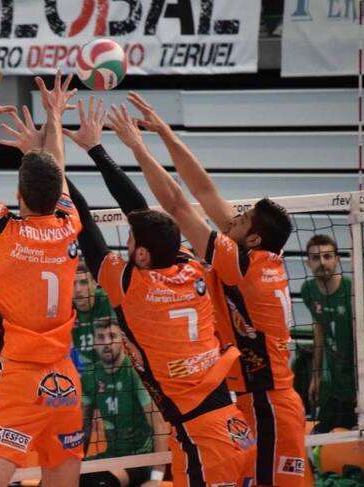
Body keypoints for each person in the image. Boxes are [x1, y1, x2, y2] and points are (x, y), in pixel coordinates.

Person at [63, 96, 255, 486]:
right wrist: (96, 149)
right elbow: (137, 209)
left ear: (143, 255)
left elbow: (83, 224)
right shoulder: (188, 266)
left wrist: (54, 160)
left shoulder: (131, 286)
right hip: (223, 425)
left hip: (207, 439)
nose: (126, 243)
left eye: (131, 240)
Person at [124, 92, 306, 486]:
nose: (232, 218)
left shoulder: (243, 267)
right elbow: (205, 191)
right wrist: (165, 132)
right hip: (257, 399)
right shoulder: (262, 255)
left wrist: (136, 146)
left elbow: (178, 205)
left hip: (268, 404)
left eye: (242, 219)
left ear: (252, 238)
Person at [0, 67, 83, 487]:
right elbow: (57, 169)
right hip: (64, 381)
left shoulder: (2, 231)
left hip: (17, 379)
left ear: (17, 195)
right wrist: (55, 117)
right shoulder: (69, 224)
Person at [302, 234, 364, 431]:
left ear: (337, 259)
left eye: (327, 256)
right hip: (336, 384)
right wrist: (316, 375)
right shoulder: (308, 290)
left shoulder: (362, 292)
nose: (322, 262)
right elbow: (319, 327)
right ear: (308, 263)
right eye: (316, 258)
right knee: (322, 436)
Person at [80, 315, 168, 487]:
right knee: (54, 480)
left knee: (102, 483)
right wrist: (74, 464)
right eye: (101, 337)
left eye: (112, 336)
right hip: (111, 457)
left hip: (140, 459)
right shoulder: (91, 376)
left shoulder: (134, 372)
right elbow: (85, 428)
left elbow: (159, 425)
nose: (107, 343)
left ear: (121, 339)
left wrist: (156, 478)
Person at [73, 260, 112, 371]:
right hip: (79, 371)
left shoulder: (109, 302)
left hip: (110, 369)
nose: (78, 290)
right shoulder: (64, 309)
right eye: (73, 283)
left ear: (95, 283)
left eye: (84, 282)